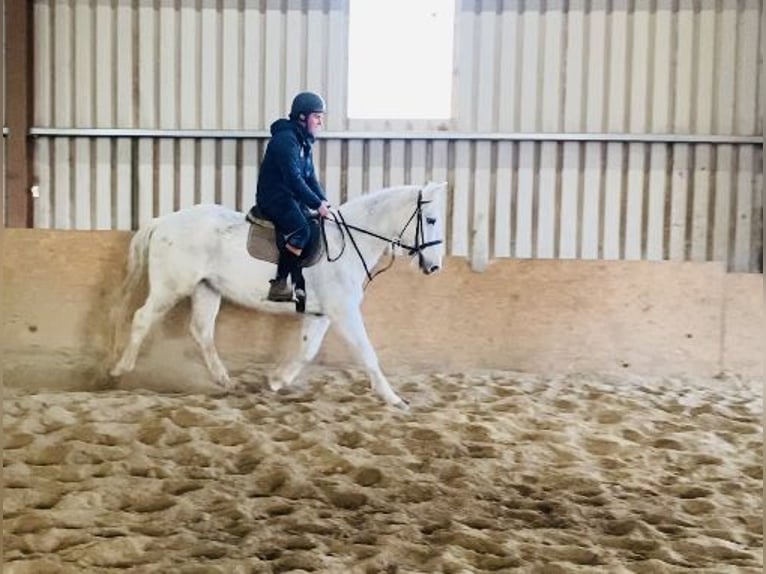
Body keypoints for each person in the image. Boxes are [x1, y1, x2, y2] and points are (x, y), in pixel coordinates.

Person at [248, 91, 332, 302]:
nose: (320, 121)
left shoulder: (304, 143)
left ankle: (300, 282)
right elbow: (294, 179)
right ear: (302, 117)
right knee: (301, 230)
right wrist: (315, 203)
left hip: (291, 198)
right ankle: (279, 283)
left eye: (321, 116)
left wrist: (324, 202)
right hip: (274, 198)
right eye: (317, 116)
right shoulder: (286, 140)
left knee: (313, 224)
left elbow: (311, 178)